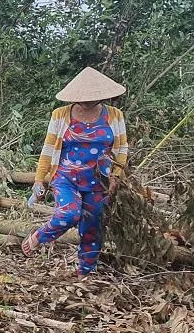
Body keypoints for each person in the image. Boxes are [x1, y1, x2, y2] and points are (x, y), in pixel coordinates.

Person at [21, 67, 129, 279]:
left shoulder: (115, 116)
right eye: (82, 98)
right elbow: (48, 148)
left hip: (99, 181)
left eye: (92, 98)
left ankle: (85, 273)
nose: (86, 102)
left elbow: (122, 148)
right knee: (69, 214)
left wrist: (116, 176)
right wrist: (39, 179)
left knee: (92, 227)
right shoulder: (60, 115)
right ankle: (39, 237)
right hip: (65, 178)